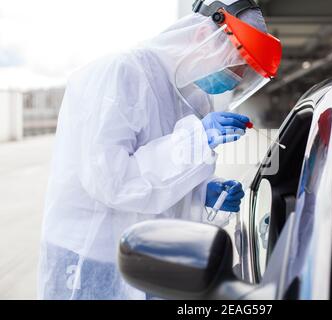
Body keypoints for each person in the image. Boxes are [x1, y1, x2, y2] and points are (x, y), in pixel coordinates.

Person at [38, 0, 282, 300]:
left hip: (151, 257)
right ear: (203, 37)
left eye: (244, 71)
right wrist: (195, 141)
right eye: (237, 62)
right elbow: (110, 181)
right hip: (92, 257)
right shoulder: (120, 73)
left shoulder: (192, 95)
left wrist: (203, 191)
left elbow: (160, 180)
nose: (237, 76)